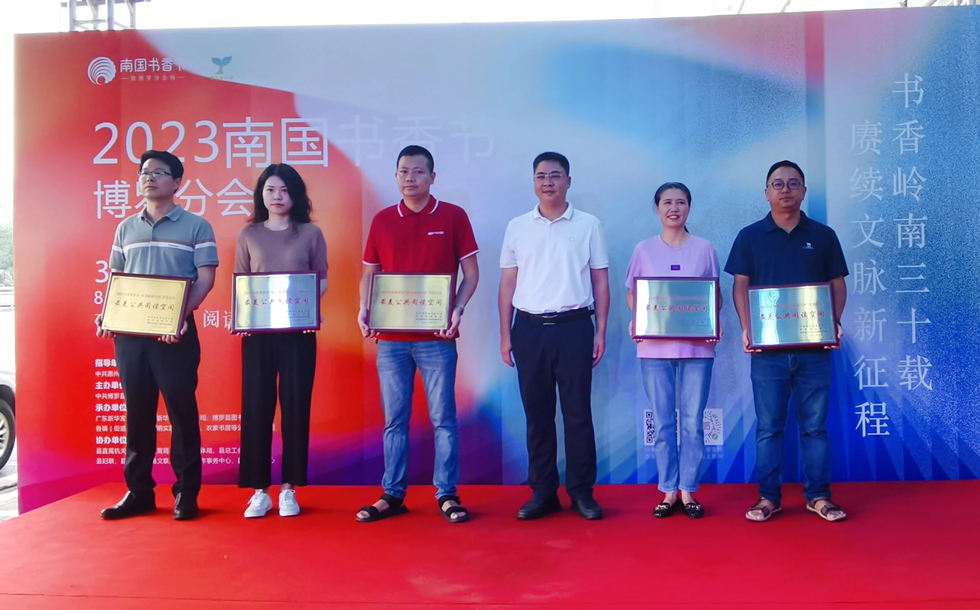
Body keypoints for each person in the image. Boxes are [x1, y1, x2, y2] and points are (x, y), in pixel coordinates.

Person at [355, 145, 479, 524]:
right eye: (403, 172)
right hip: (391, 340)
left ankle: (447, 494)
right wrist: (364, 309)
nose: (410, 178)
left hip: (437, 337)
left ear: (432, 176)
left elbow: (471, 273)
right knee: (394, 419)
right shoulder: (382, 220)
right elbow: (370, 274)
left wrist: (457, 309)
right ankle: (393, 494)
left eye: (418, 171)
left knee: (443, 418)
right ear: (396, 176)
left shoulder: (453, 216)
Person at [97, 150, 218, 521]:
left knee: (181, 412)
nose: (149, 178)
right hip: (131, 337)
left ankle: (186, 493)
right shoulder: (126, 228)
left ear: (177, 182)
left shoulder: (196, 226)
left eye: (159, 172)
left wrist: (178, 318)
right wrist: (108, 316)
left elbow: (205, 280)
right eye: (144, 172)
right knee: (137, 412)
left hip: (175, 335)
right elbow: (117, 280)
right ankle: (139, 492)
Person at [725, 160, 848, 523]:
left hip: (814, 349)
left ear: (804, 191)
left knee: (815, 428)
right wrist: (747, 328)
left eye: (793, 183)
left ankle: (818, 496)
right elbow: (740, 286)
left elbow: (837, 285)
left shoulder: (823, 236)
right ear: (766, 192)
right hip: (768, 352)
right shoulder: (750, 236)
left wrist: (833, 323)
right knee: (769, 427)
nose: (785, 190)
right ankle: (768, 497)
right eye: (777, 184)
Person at [498, 152, 610, 521]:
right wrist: (505, 335)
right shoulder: (517, 226)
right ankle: (543, 491)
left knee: (577, 413)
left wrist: (601, 331)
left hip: (575, 327)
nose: (548, 182)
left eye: (555, 175)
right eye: (541, 176)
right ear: (534, 182)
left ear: (568, 181)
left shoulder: (589, 224)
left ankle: (581, 492)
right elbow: (507, 284)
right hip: (528, 329)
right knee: (537, 414)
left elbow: (600, 281)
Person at [235, 163, 327, 519]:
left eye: (285, 190)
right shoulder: (249, 235)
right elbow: (242, 282)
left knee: (295, 406)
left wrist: (309, 310)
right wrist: (243, 318)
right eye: (270, 190)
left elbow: (321, 280)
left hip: (298, 334)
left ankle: (289, 488)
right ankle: (259, 491)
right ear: (261, 194)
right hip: (257, 335)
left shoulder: (311, 233)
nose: (277, 197)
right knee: (256, 408)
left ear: (296, 195)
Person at [625, 183, 721, 519]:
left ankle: (688, 489)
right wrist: (637, 320)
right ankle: (668, 489)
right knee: (664, 422)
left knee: (693, 422)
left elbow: (713, 294)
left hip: (697, 348)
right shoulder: (643, 249)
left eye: (681, 202)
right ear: (657, 209)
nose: (674, 208)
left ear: (689, 208)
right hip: (654, 348)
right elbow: (633, 293)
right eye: (667, 202)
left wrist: (713, 323)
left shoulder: (704, 248)